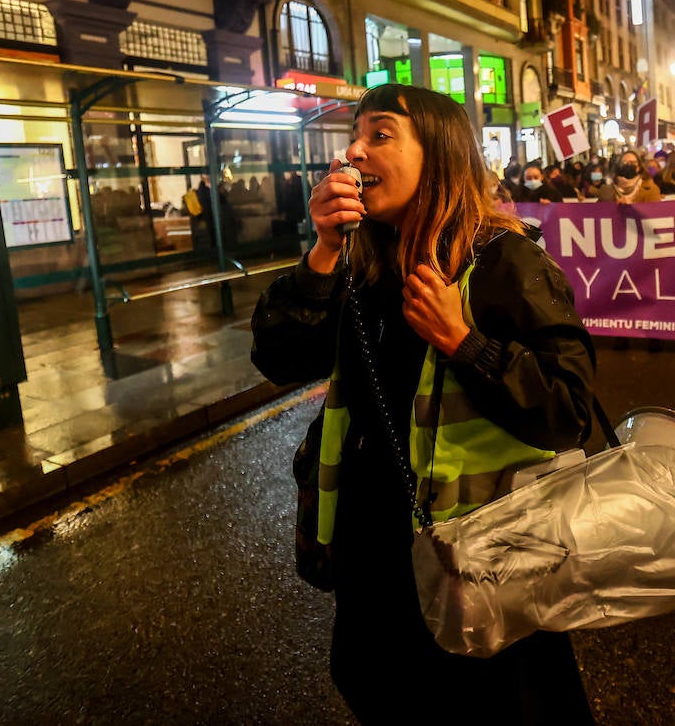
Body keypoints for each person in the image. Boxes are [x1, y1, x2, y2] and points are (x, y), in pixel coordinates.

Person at [249, 85, 597, 720]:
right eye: (355, 134)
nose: (354, 150)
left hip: (481, 560)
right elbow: (280, 359)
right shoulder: (357, 263)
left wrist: (466, 344)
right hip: (376, 557)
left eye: (380, 134)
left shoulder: (505, 262)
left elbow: (568, 411)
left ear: (438, 153)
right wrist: (323, 250)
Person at [595, 150, 662, 203]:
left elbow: (654, 215)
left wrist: (632, 208)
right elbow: (598, 213)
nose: (628, 165)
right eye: (625, 163)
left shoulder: (651, 189)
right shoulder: (607, 190)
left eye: (632, 163)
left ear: (638, 167)